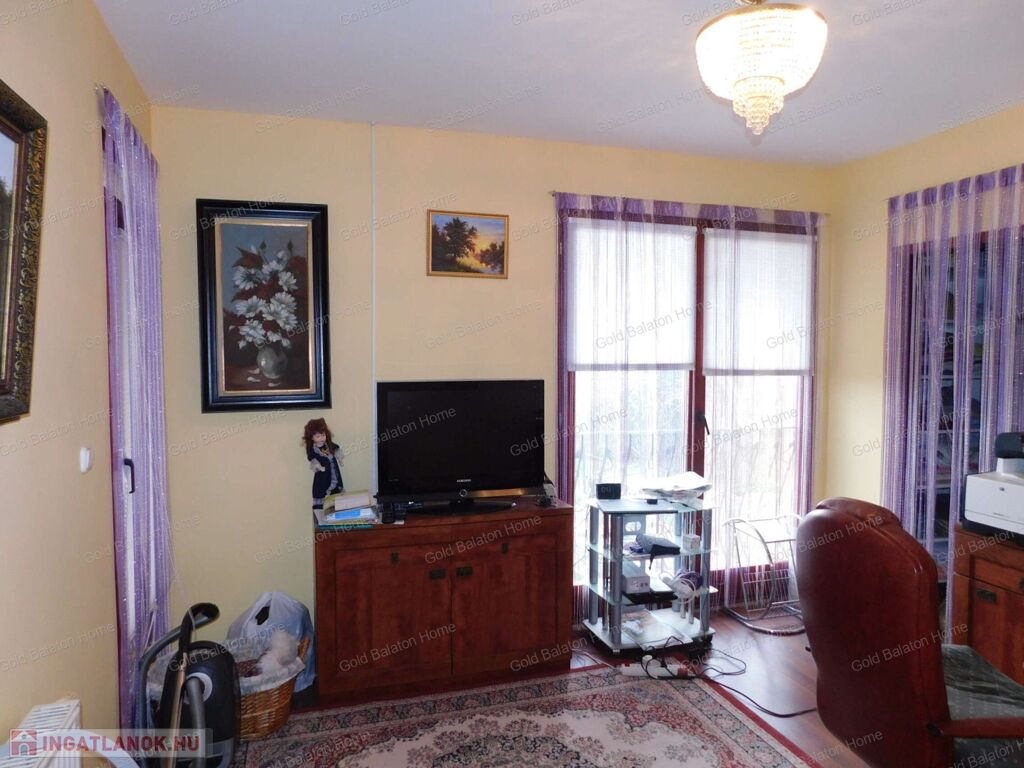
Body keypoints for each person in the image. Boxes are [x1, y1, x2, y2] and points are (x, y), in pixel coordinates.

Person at [302, 418, 343, 510]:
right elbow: (313, 460)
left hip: (334, 475)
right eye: (318, 436)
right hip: (322, 477)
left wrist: (339, 458)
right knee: (321, 496)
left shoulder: (328, 445)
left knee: (336, 498)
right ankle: (321, 514)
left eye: (323, 435)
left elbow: (336, 449)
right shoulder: (313, 451)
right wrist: (319, 467)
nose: (321, 438)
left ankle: (335, 513)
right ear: (312, 438)